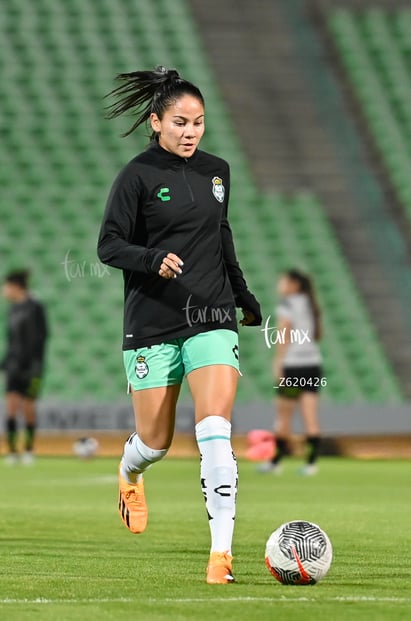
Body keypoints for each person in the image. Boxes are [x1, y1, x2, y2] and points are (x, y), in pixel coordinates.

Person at [97, 66, 262, 584]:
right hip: (152, 321)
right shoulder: (136, 175)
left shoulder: (218, 171)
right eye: (181, 122)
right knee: (157, 441)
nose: (191, 132)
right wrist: (151, 259)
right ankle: (129, 471)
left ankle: (221, 556)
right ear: (156, 122)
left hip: (211, 315)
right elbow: (108, 245)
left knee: (214, 428)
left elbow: (222, 236)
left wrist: (242, 294)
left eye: (199, 123)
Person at [260, 269, 323, 476]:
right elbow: (318, 334)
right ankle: (311, 464)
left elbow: (283, 333)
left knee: (284, 415)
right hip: (313, 365)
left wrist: (279, 362)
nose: (281, 285)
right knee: (310, 418)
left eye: (284, 281)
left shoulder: (287, 304)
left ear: (294, 284)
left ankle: (276, 462)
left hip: (293, 366)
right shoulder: (311, 304)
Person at [1, 269, 48, 464]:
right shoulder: (13, 310)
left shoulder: (35, 307)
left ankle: (29, 449)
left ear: (16, 286)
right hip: (13, 366)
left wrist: (34, 363)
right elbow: (12, 341)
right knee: (11, 406)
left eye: (6, 286)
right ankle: (12, 451)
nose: (4, 291)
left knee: (28, 406)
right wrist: (5, 363)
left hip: (32, 368)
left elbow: (42, 336)